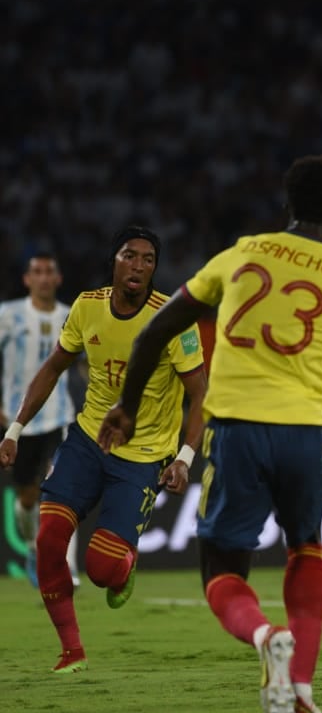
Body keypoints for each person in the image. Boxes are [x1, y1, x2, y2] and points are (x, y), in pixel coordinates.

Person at [98, 155, 322, 713]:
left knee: (222, 569)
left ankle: (265, 634)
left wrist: (127, 406)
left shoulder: (241, 254)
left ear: (287, 205)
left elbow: (156, 331)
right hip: (306, 433)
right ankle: (301, 690)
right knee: (306, 544)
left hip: (234, 430)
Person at [0, 227, 207, 674]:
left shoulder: (173, 319)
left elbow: (200, 395)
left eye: (148, 259)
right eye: (129, 256)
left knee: (101, 570)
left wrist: (185, 459)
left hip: (145, 454)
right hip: (89, 440)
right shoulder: (87, 306)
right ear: (114, 261)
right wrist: (16, 428)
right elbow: (53, 367)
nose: (138, 266)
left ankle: (125, 562)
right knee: (49, 539)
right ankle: (71, 651)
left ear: (154, 268)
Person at [0, 253, 80, 588]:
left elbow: (86, 363)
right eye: (37, 272)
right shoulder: (8, 315)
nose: (44, 278)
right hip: (19, 420)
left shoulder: (70, 315)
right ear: (27, 279)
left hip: (60, 417)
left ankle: (66, 569)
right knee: (27, 500)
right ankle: (35, 547)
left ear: (58, 279)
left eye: (50, 271)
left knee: (62, 493)